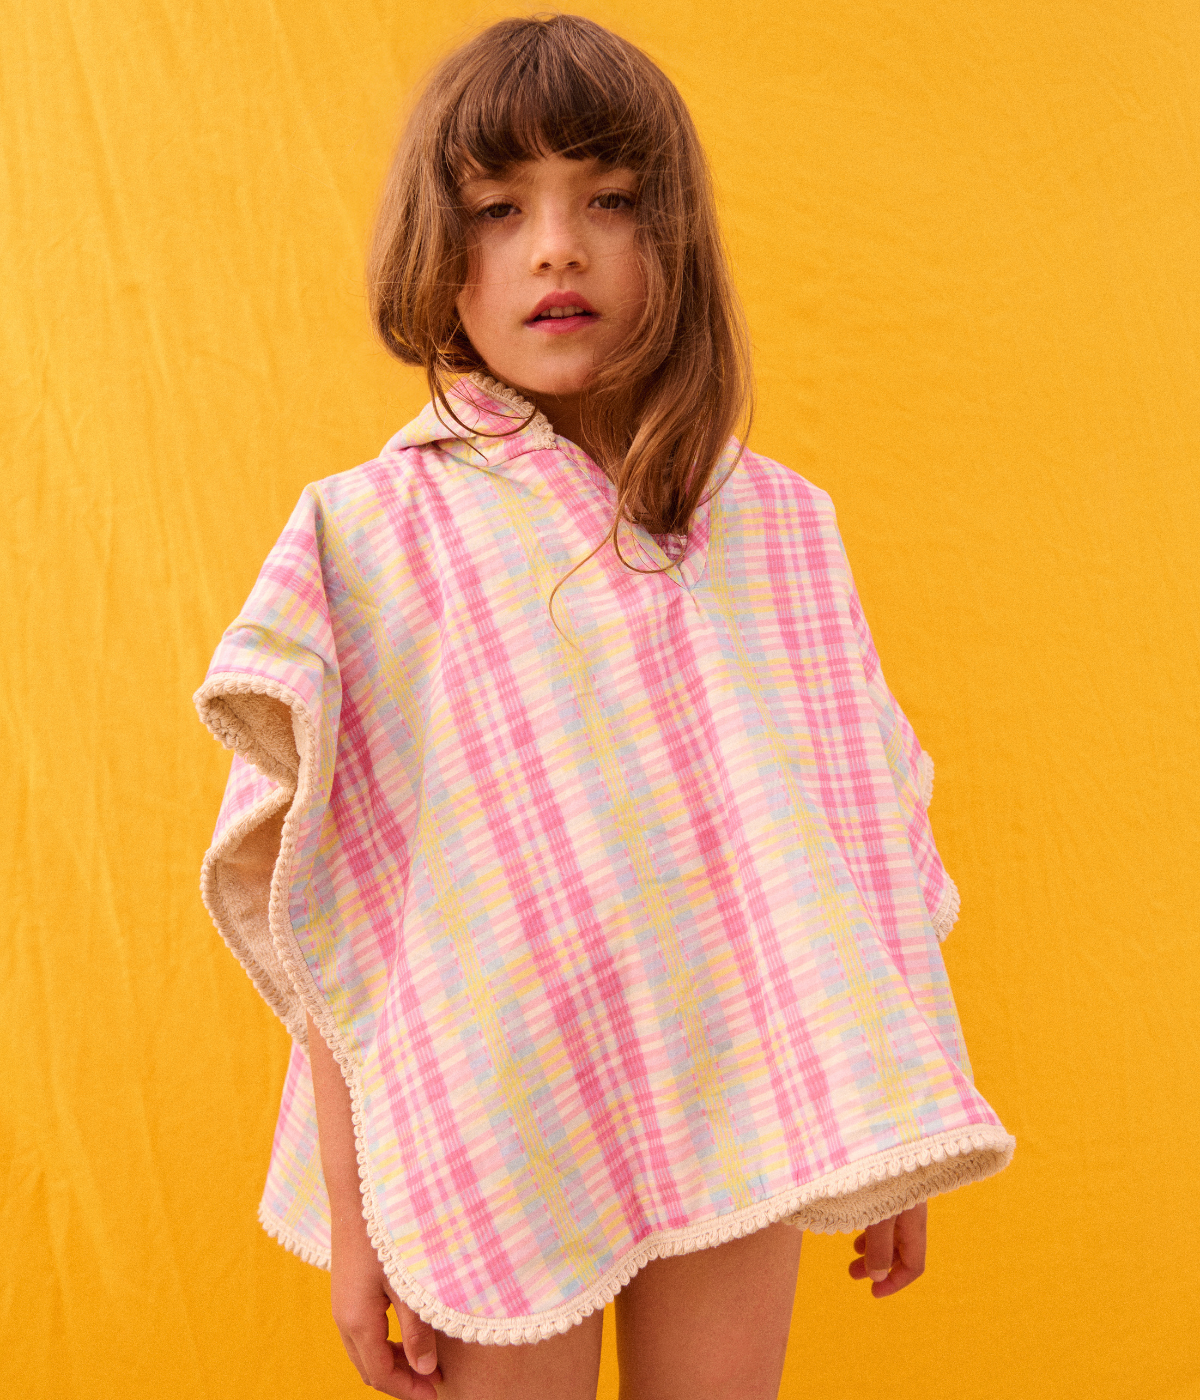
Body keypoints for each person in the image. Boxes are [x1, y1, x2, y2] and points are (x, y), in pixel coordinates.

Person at [195, 14, 1014, 1399]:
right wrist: (361, 1208)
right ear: (436, 250)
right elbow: (336, 904)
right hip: (492, 1098)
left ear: (674, 236)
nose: (556, 249)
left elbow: (856, 834)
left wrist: (892, 1108)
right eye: (498, 209)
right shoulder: (368, 539)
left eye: (612, 200)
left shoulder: (776, 529)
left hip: (740, 1077)